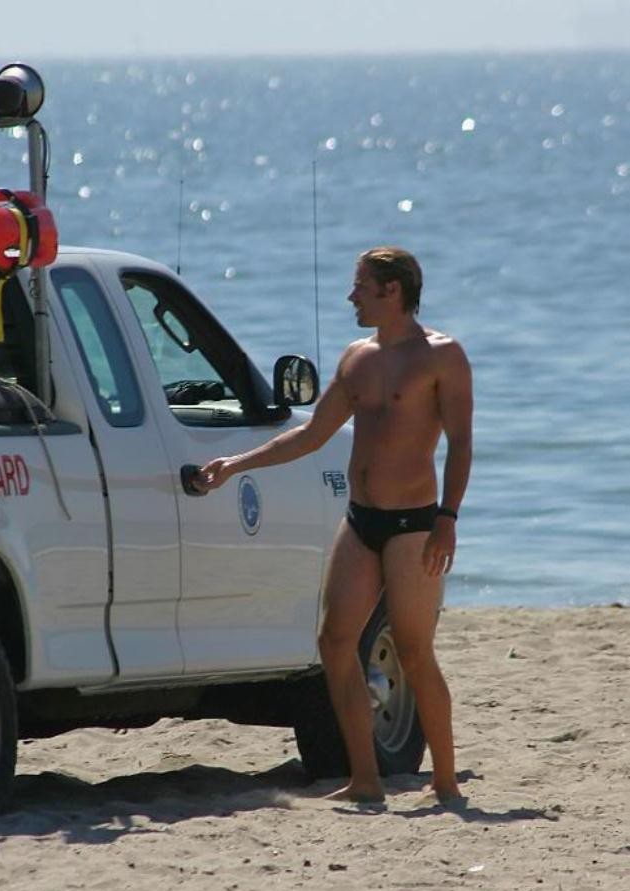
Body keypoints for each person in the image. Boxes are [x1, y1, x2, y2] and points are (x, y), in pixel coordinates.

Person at [198, 246, 473, 804]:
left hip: (415, 523)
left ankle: (445, 784)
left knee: (415, 650)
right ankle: (365, 778)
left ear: (392, 291)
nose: (352, 297)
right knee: (333, 640)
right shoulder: (356, 359)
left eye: (361, 286)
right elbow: (310, 436)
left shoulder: (443, 357)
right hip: (361, 518)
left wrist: (448, 518)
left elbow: (462, 443)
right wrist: (236, 465)